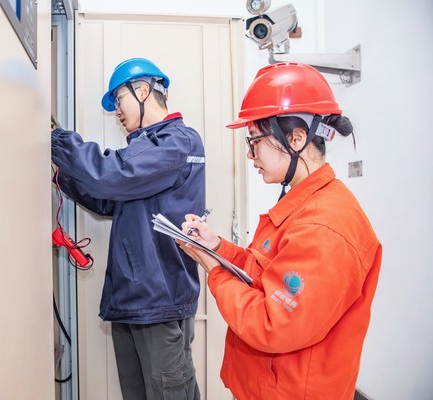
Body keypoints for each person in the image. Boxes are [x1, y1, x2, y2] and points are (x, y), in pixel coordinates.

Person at [178, 62, 382, 400]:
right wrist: (217, 247)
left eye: (255, 141)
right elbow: (264, 275)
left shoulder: (324, 227)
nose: (250, 154)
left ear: (296, 139)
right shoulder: (303, 204)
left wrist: (214, 269)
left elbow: (271, 323)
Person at [51, 57, 204, 400]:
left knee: (169, 393)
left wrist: (57, 141)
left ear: (143, 91)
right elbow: (109, 199)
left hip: (159, 299)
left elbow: (114, 176)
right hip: (134, 299)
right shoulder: (146, 147)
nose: (117, 111)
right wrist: (63, 176)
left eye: (118, 100)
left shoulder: (177, 141)